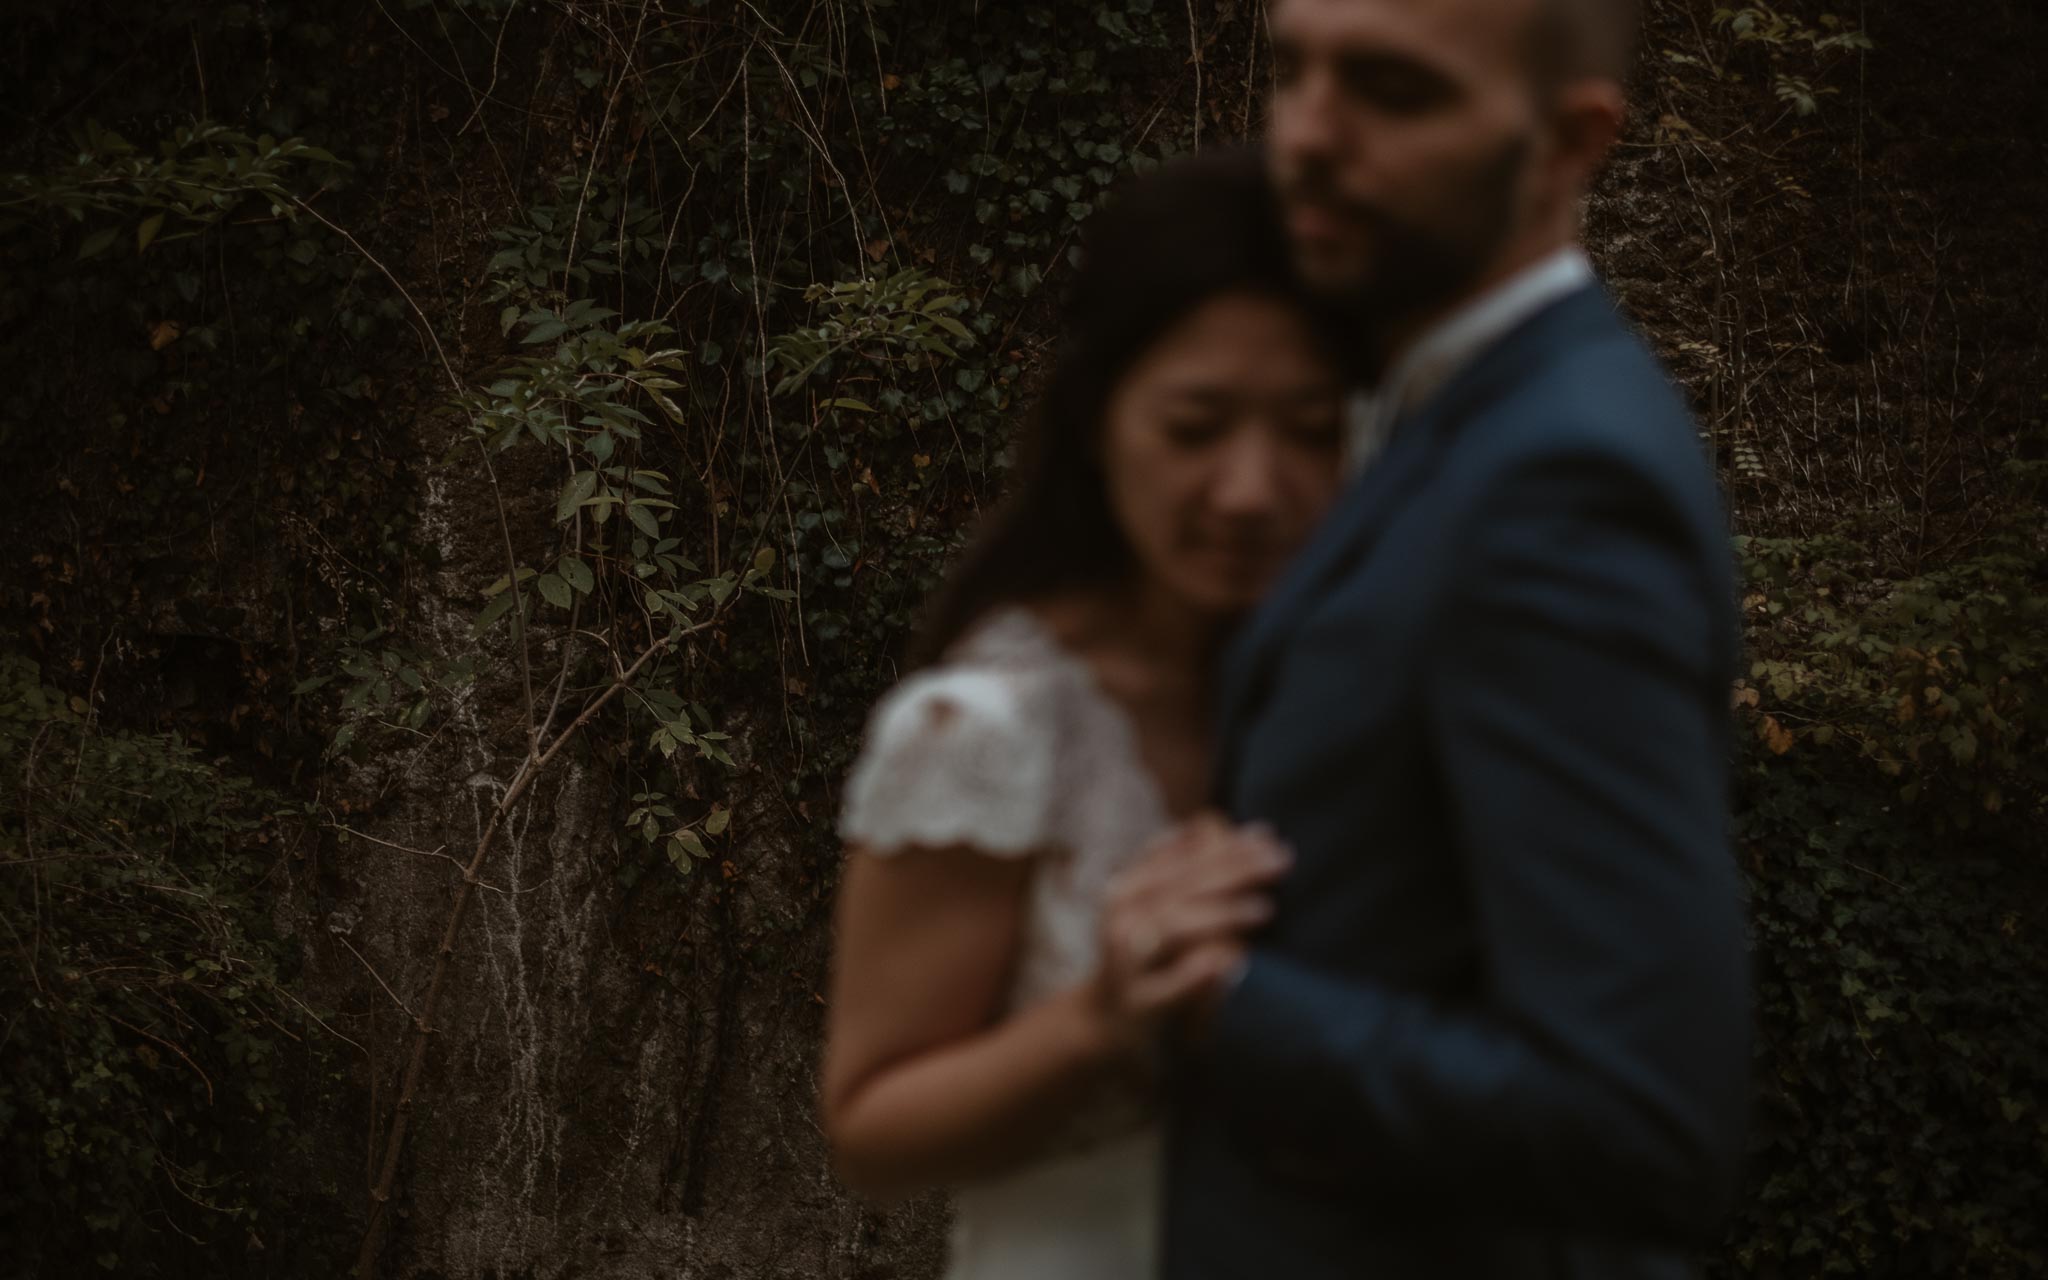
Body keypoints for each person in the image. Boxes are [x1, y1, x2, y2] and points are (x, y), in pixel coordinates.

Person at [1138, 0, 1755, 1276]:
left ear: (1569, 142)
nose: (1304, 134)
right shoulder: (1446, 413)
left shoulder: (1562, 481)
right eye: (1290, 69)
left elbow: (1642, 1117)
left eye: (1390, 90)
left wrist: (1226, 1002)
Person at [819, 151, 1353, 1279]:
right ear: (1100, 416)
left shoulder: (1363, 689)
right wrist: (1100, 1017)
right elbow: (867, 1123)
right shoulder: (983, 728)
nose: (1252, 487)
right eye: (1195, 425)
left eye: (1310, 427)